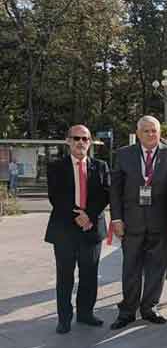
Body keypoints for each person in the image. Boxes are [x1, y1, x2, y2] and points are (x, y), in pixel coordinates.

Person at [109, 116, 167, 330]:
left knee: (156, 268)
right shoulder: (123, 154)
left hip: (160, 222)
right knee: (130, 267)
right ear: (138, 133)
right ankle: (128, 310)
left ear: (160, 133)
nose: (151, 134)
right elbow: (115, 190)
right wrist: (116, 219)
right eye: (146, 131)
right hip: (131, 223)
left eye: (154, 131)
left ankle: (150, 307)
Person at [45, 125, 110, 334]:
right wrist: (77, 216)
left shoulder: (100, 166)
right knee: (65, 276)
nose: (81, 142)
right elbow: (56, 197)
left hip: (91, 229)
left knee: (90, 275)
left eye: (85, 139)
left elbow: (104, 194)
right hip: (64, 230)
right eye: (76, 138)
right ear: (68, 141)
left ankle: (85, 314)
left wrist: (88, 216)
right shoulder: (55, 167)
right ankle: (64, 318)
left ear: (90, 142)